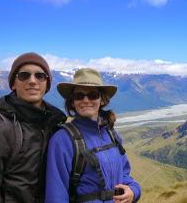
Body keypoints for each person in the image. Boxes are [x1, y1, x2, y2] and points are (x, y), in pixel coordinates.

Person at [0, 52, 67, 203]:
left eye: (39, 76)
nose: (32, 81)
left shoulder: (54, 128)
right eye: (24, 75)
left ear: (47, 84)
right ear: (13, 84)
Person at [45, 68, 141, 203]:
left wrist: (134, 190)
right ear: (72, 102)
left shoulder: (111, 133)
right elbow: (56, 195)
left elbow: (124, 174)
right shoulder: (62, 140)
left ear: (102, 100)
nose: (85, 100)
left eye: (93, 95)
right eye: (79, 96)